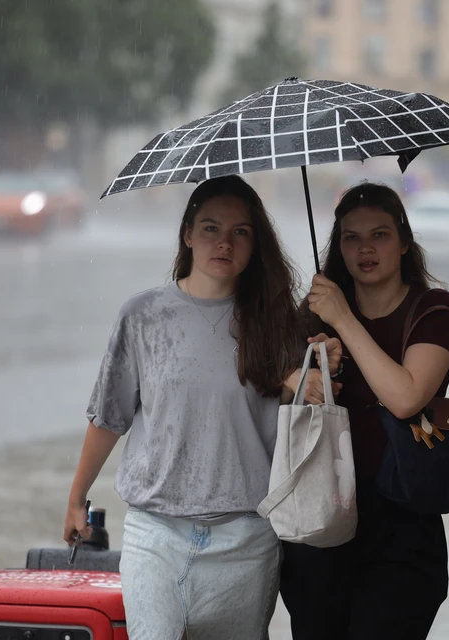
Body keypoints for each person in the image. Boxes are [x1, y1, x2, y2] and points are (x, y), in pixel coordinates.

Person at [63, 175, 313, 640]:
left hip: (247, 538)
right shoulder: (142, 315)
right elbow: (108, 417)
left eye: (240, 231)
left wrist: (310, 371)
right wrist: (77, 497)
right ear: (187, 233)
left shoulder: (277, 323)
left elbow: (297, 429)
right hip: (155, 534)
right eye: (210, 228)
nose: (224, 242)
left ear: (256, 244)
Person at [279, 182, 449, 640]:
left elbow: (406, 397)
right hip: (320, 521)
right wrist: (307, 374)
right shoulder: (317, 314)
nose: (365, 249)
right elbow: (274, 398)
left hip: (402, 529)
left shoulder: (433, 309)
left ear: (404, 242)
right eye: (350, 237)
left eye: (379, 235)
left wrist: (345, 320)